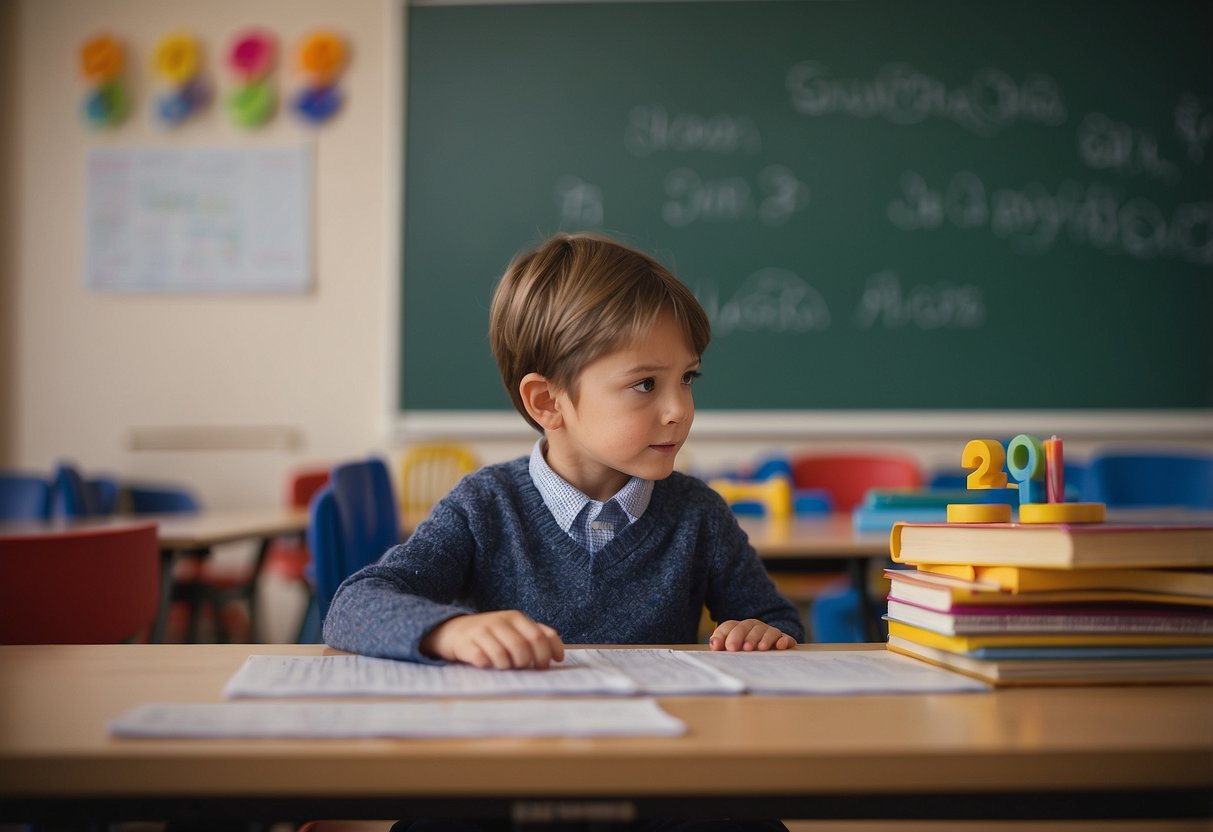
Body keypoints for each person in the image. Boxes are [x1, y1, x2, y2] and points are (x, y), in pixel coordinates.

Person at [326, 232, 801, 832]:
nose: (679, 408)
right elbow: (353, 604)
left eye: (689, 379)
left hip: (661, 776)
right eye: (646, 384)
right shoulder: (485, 505)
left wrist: (762, 632)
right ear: (548, 401)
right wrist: (450, 630)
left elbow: (778, 622)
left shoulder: (699, 513)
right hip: (509, 770)